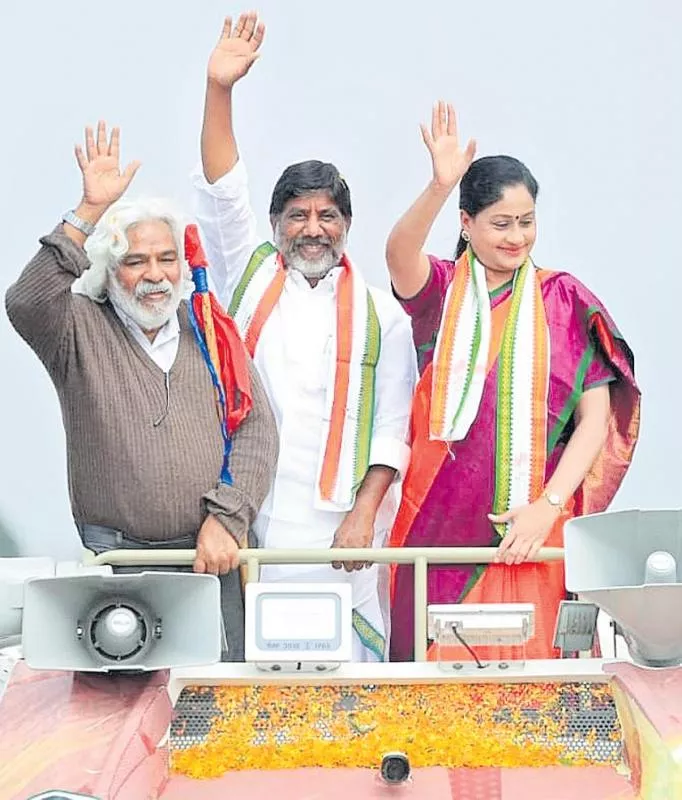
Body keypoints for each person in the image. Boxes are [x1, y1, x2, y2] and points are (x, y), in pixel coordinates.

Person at [5, 122, 278, 661]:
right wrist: (87, 212)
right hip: (118, 566)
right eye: (135, 261)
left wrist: (228, 518)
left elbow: (257, 429)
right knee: (122, 723)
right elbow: (26, 302)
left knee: (211, 714)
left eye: (166, 258)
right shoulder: (78, 328)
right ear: (109, 271)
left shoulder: (208, 329)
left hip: (211, 561)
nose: (155, 274)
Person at [191, 13, 417, 661]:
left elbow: (392, 427)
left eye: (327, 215)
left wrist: (365, 515)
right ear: (276, 225)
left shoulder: (382, 314)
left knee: (345, 684)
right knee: (254, 680)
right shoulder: (248, 276)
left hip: (340, 534)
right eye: (298, 215)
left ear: (347, 224)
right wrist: (219, 90)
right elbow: (222, 191)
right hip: (247, 518)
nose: (312, 228)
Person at [386, 102, 640, 661]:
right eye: (501, 223)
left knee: (534, 690)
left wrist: (548, 507)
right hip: (438, 526)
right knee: (434, 701)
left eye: (526, 222)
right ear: (466, 222)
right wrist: (437, 186)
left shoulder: (564, 299)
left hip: (533, 532)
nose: (516, 237)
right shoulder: (442, 294)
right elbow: (398, 254)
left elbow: (594, 420)